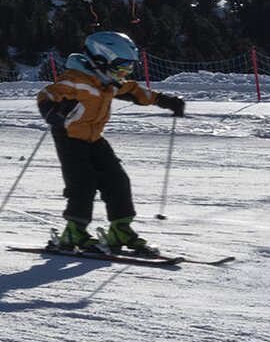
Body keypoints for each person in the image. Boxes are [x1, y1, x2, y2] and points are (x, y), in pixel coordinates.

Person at [36, 31, 185, 257]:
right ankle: (73, 233)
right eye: (121, 68)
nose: (124, 74)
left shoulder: (109, 82)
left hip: (95, 138)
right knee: (83, 184)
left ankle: (120, 230)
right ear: (100, 59)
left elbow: (135, 91)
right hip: (70, 138)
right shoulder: (75, 80)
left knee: (118, 180)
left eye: (127, 69)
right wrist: (53, 112)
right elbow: (46, 95)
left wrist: (165, 101)